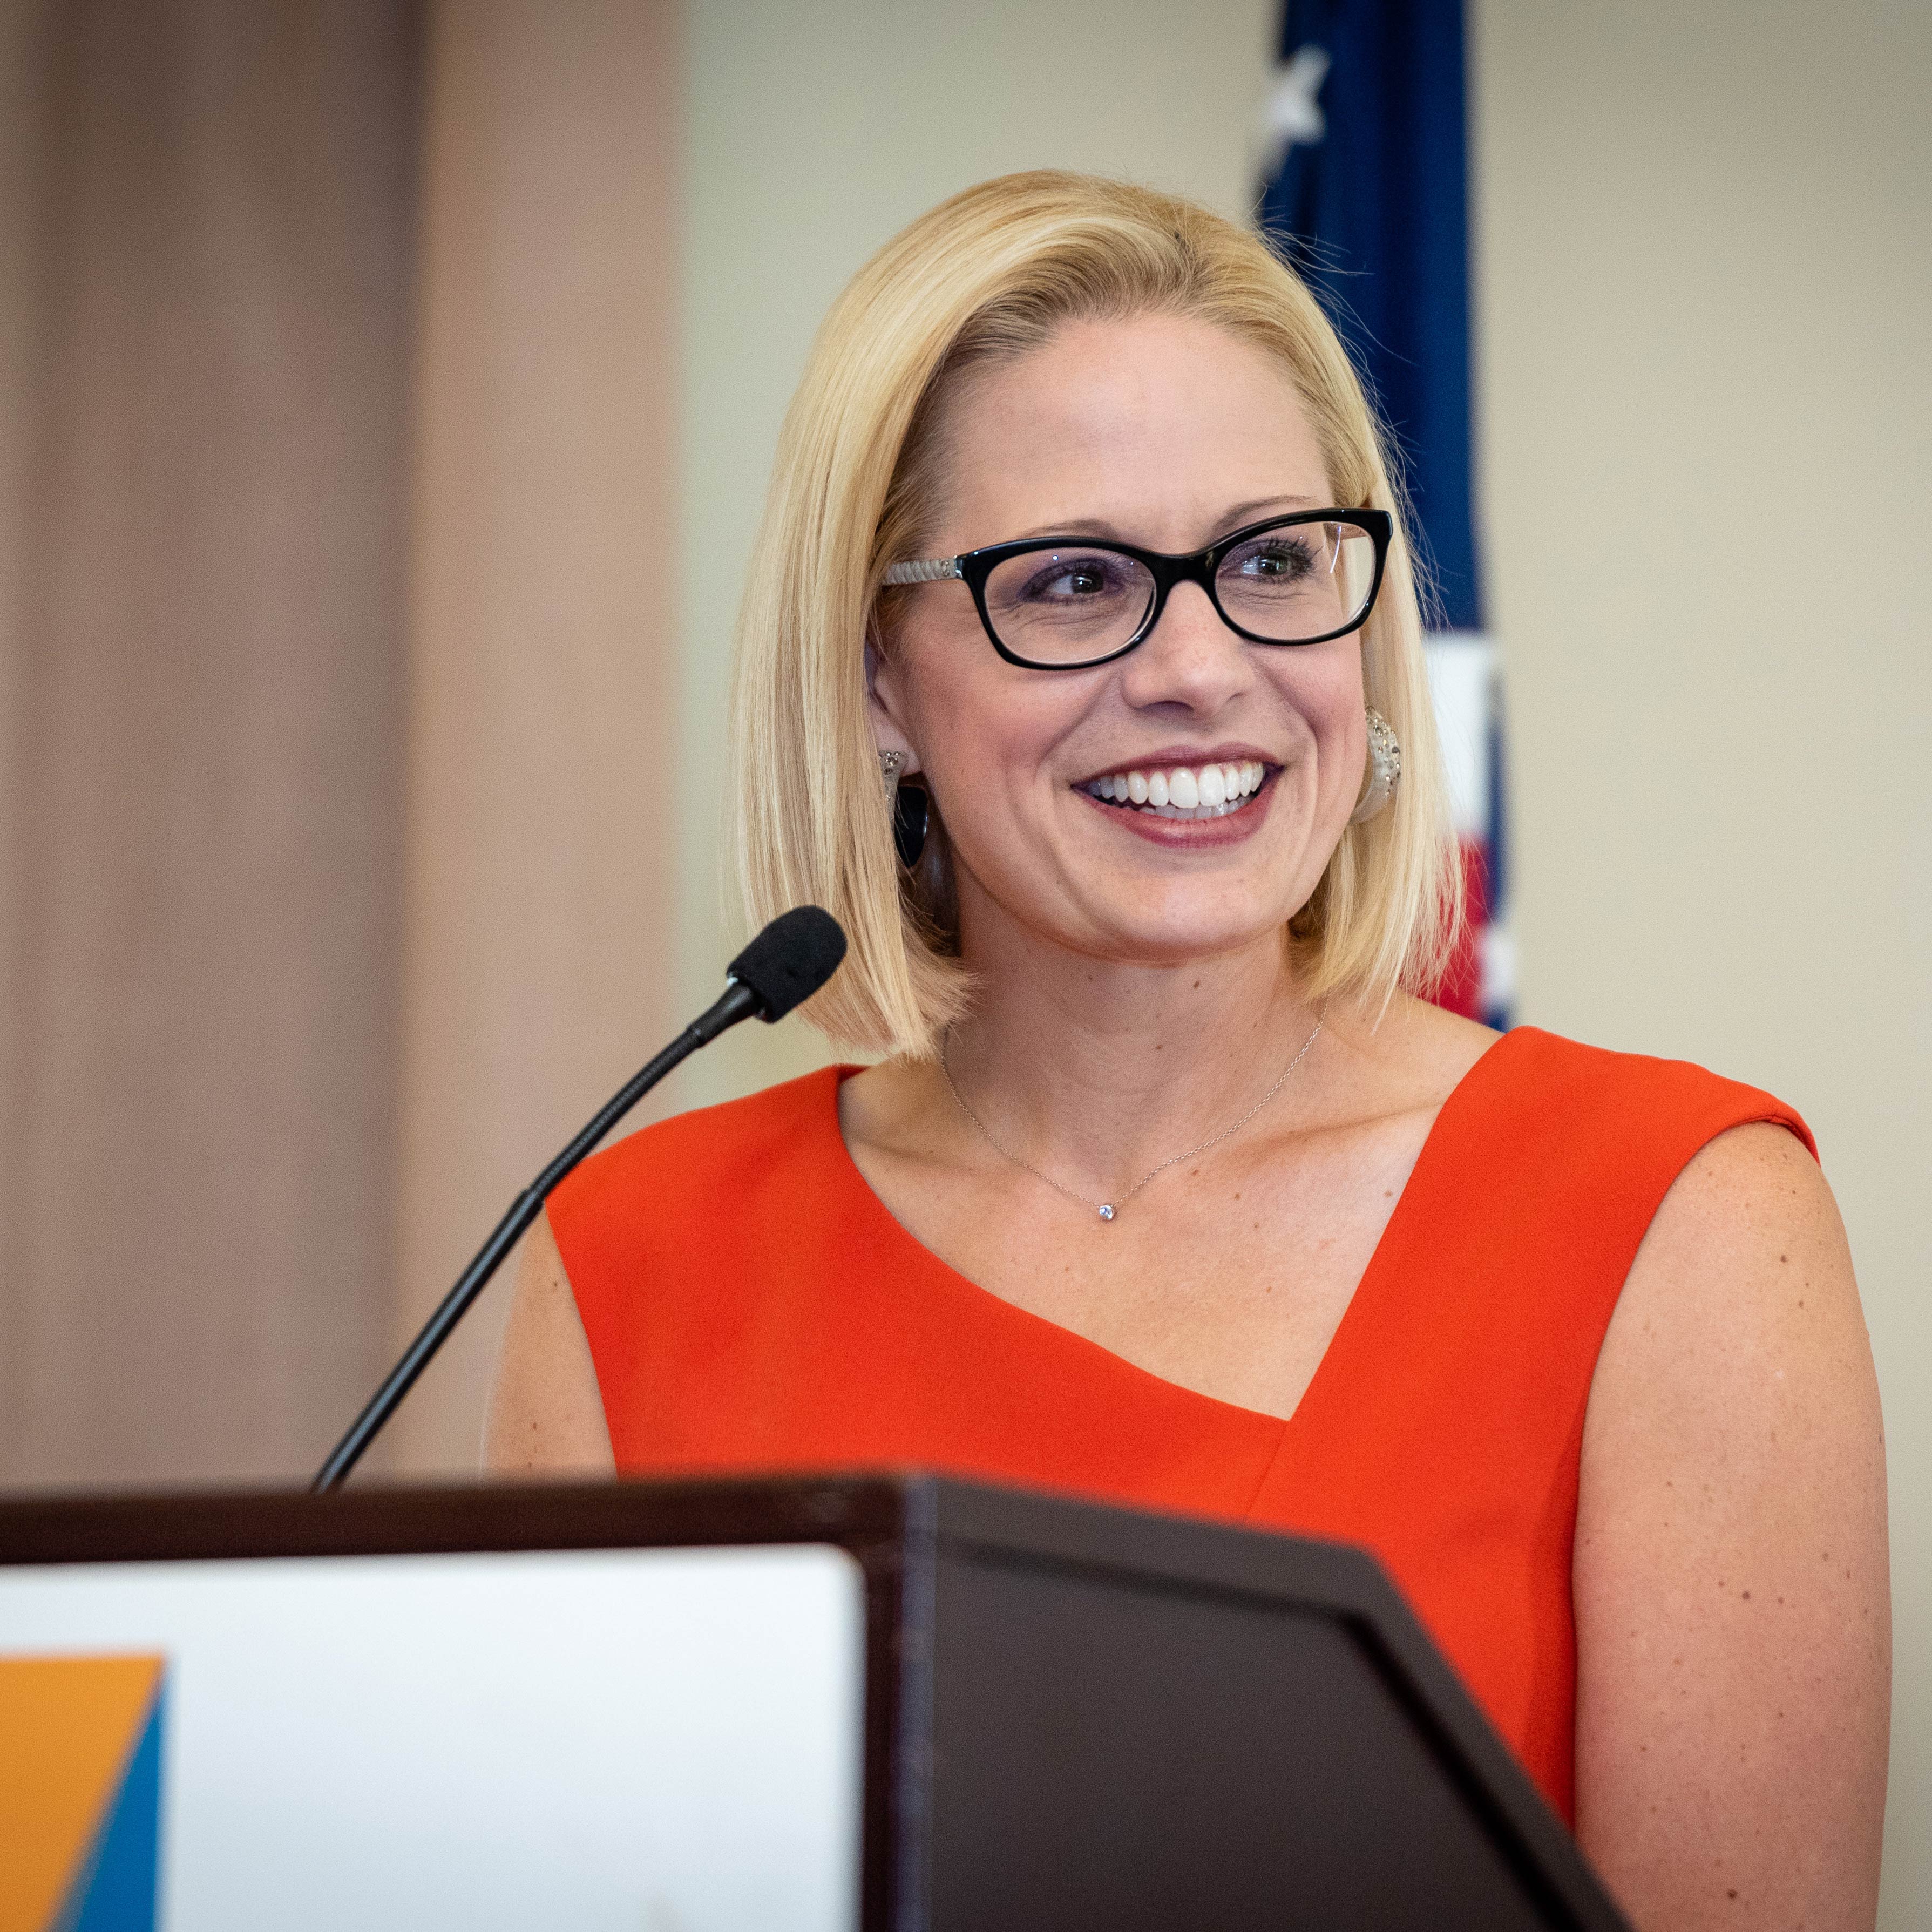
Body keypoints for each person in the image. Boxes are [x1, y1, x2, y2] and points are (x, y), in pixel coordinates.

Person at [485, 173, 1889, 1929]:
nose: (1200, 667)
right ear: (875, 683)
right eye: (1072, 582)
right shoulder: (627, 1263)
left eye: (1270, 561)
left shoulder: (1677, 1224)